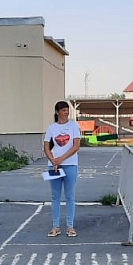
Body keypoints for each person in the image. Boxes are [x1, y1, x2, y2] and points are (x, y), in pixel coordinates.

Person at [43, 101, 82, 237]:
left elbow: (76, 146)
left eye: (67, 110)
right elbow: (46, 147)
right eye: (64, 110)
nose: (66, 112)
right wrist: (53, 160)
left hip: (70, 165)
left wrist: (61, 159)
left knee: (70, 195)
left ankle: (70, 226)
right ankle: (55, 226)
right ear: (57, 112)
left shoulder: (73, 126)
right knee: (55, 196)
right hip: (53, 166)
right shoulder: (51, 128)